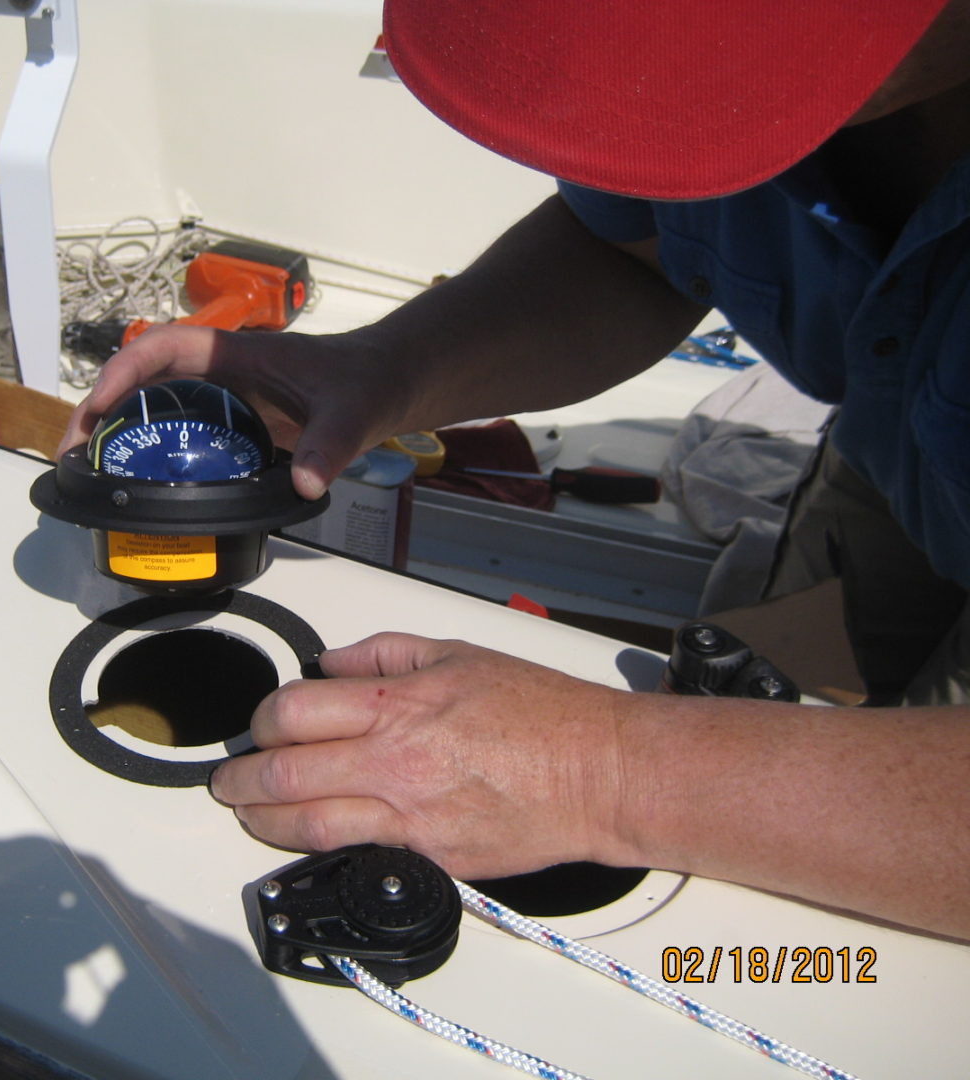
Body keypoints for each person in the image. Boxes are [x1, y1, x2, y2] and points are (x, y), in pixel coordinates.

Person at [57, 0, 970, 940]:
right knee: (805, 680)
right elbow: (642, 250)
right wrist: (382, 371)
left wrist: (602, 771)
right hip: (903, 449)